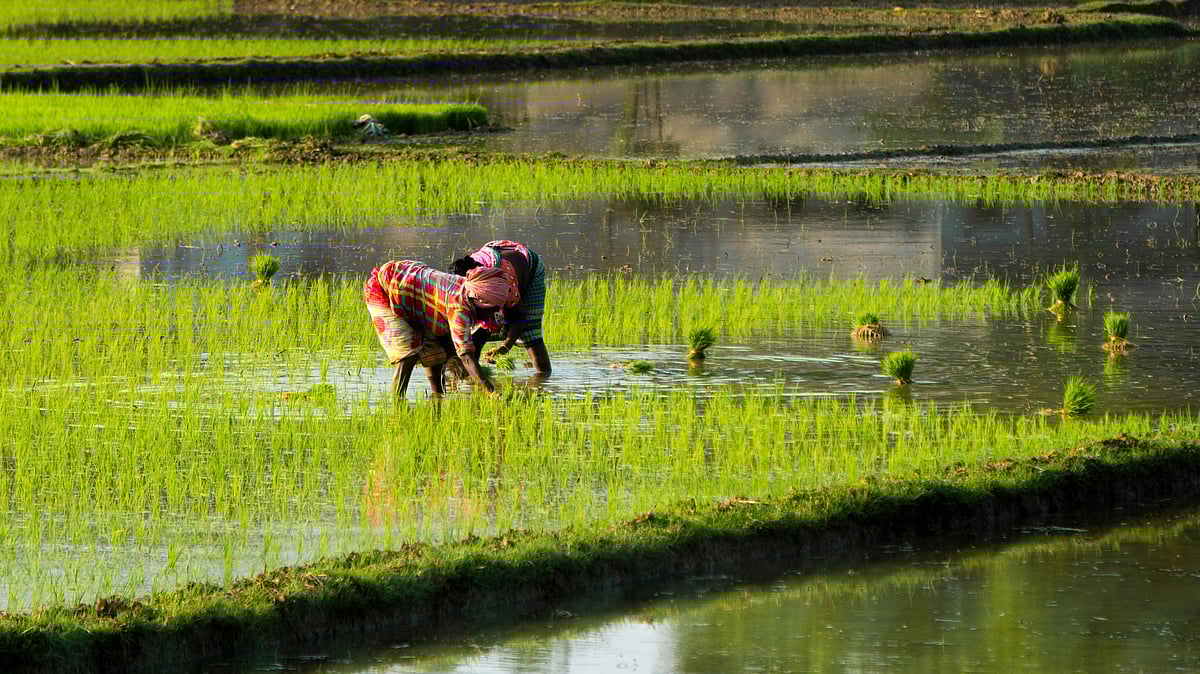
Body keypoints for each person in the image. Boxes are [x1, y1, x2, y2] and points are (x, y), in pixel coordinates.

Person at [363, 259, 517, 400]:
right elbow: (466, 356)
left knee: (436, 354)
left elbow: (449, 343)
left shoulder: (470, 290)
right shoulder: (459, 308)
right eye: (491, 309)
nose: (492, 313)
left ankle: (438, 397)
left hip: (413, 293)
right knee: (408, 354)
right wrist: (492, 392)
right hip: (385, 288)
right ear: (481, 300)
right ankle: (398, 401)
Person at [449, 240, 552, 377]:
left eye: (495, 308)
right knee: (475, 335)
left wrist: (506, 346)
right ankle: (465, 377)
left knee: (531, 336)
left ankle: (543, 378)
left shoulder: (505, 286)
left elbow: (519, 318)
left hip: (528, 267)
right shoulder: (461, 287)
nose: (492, 313)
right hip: (495, 258)